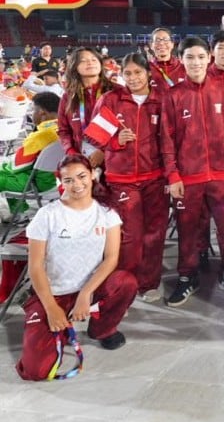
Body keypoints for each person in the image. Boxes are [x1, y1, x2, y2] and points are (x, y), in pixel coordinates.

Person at [16, 154, 138, 380]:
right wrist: (52, 308)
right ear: (60, 182)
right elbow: (35, 267)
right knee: (35, 371)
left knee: (125, 282)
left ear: (93, 175)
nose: (77, 184)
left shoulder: (107, 213)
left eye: (81, 176)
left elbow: (111, 258)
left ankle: (102, 329)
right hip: (54, 295)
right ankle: (57, 329)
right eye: (68, 180)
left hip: (89, 289)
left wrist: (85, 293)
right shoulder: (48, 215)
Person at [160, 37, 224, 306]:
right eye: (189, 57)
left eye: (200, 56)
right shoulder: (172, 95)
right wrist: (173, 176)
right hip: (189, 178)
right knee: (188, 231)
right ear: (180, 59)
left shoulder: (223, 89)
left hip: (222, 175)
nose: (195, 62)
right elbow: (167, 140)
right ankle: (187, 277)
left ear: (209, 58)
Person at [90, 52, 169, 304]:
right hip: (122, 178)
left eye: (137, 72)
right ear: (121, 75)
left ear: (148, 73)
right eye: (128, 73)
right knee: (130, 236)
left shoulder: (161, 100)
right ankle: (125, 282)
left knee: (155, 233)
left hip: (155, 177)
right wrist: (115, 141)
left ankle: (149, 283)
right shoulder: (110, 100)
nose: (133, 78)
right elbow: (93, 137)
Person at [0, 93, 62, 305]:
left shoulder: (41, 134)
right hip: (56, 187)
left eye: (32, 110)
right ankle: (18, 215)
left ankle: (19, 213)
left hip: (37, 187)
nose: (31, 115)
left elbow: (16, 166)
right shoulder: (65, 128)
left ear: (41, 112)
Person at [58, 47, 119, 162]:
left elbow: (128, 126)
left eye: (93, 59)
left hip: (115, 158)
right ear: (74, 67)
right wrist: (71, 151)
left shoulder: (117, 92)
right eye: (83, 60)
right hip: (82, 159)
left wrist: (104, 150)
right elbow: (63, 130)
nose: (90, 62)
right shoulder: (68, 97)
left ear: (100, 64)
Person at [147, 28, 186, 94]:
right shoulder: (145, 68)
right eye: (157, 40)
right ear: (151, 45)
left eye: (165, 39)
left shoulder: (184, 67)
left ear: (172, 44)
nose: (161, 43)